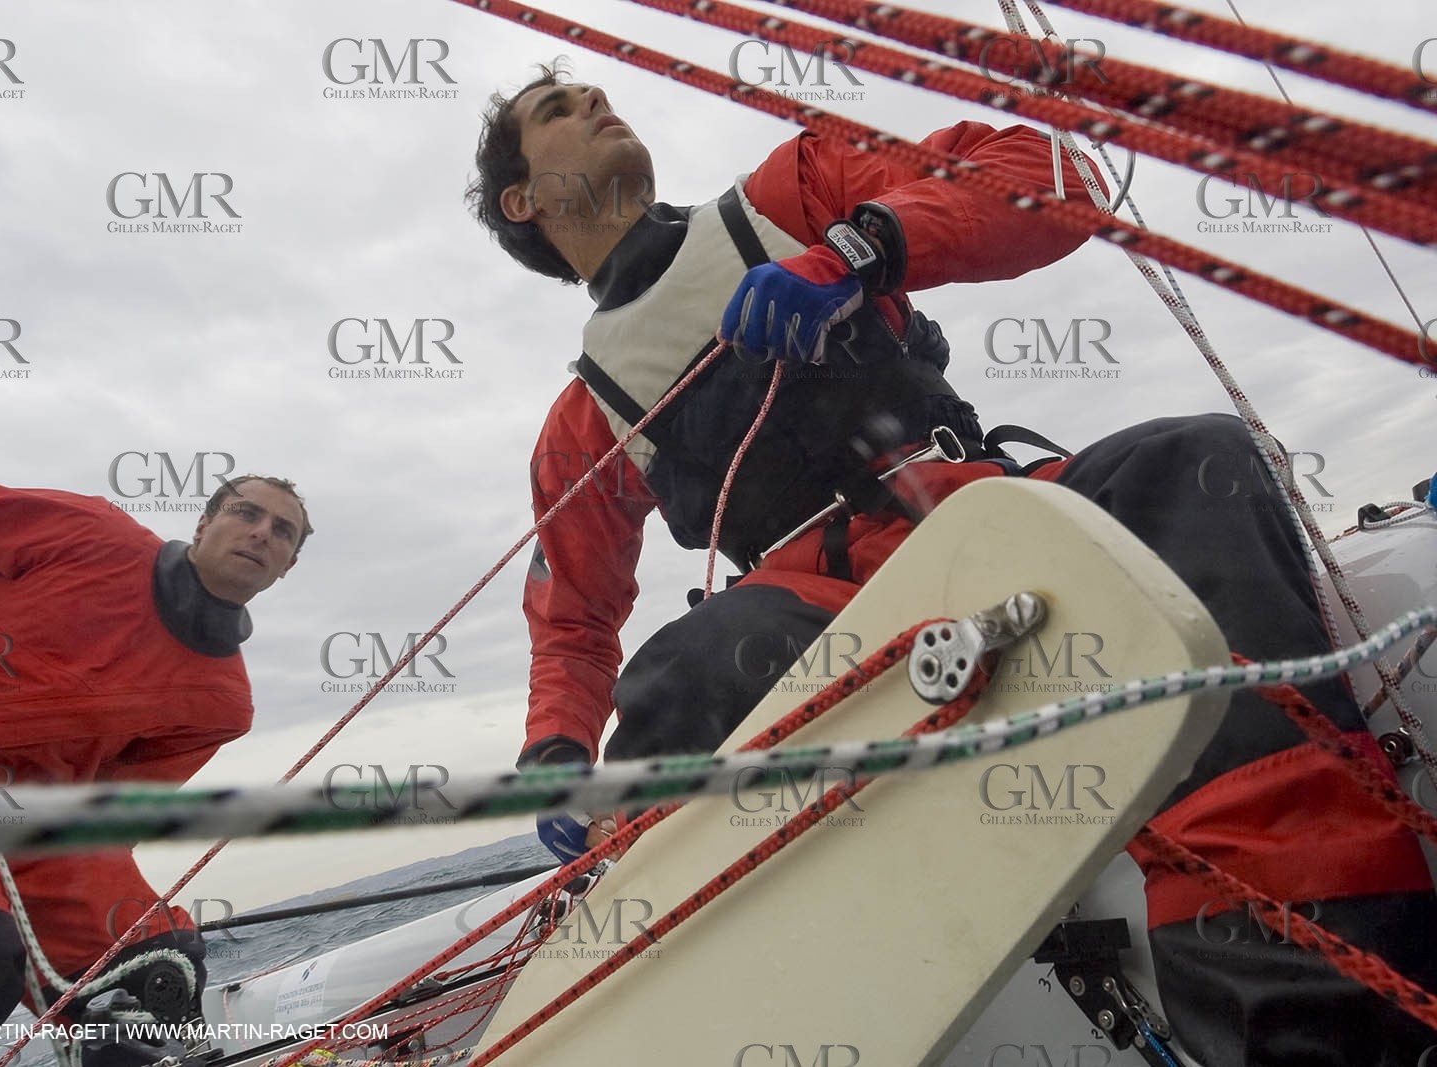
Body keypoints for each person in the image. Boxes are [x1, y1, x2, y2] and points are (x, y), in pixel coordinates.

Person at [466, 63, 1437, 1066]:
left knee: (1195, 460)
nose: (594, 102)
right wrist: (556, 749)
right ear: (523, 200)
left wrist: (862, 249)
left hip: (982, 504)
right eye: (556, 109)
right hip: (814, 607)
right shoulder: (585, 418)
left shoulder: (789, 195)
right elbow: (573, 616)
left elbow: (1047, 174)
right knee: (682, 673)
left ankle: (1318, 1020)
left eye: (589, 92)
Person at [0, 474, 311, 1067]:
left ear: (288, 566)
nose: (261, 533)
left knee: (159, 964)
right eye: (245, 513)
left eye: (282, 531)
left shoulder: (221, 704)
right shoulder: (92, 535)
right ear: (203, 524)